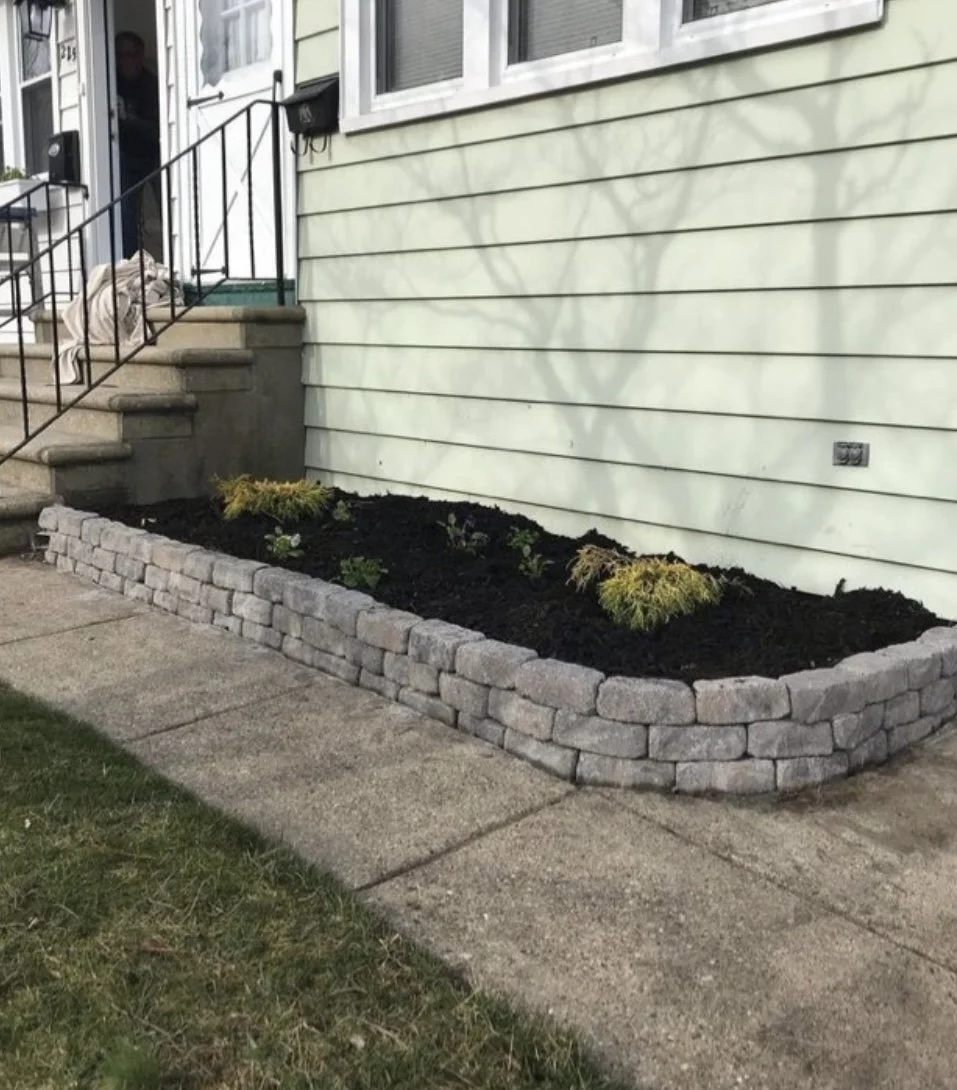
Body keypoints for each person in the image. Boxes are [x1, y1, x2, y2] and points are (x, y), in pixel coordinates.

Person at [115, 31, 161, 259]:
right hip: (123, 156)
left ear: (141, 55)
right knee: (127, 213)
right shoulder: (110, 82)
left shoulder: (150, 85)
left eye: (132, 54)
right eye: (122, 54)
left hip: (151, 153)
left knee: (166, 202)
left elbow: (155, 128)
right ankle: (132, 266)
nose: (127, 60)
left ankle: (174, 256)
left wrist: (130, 122)